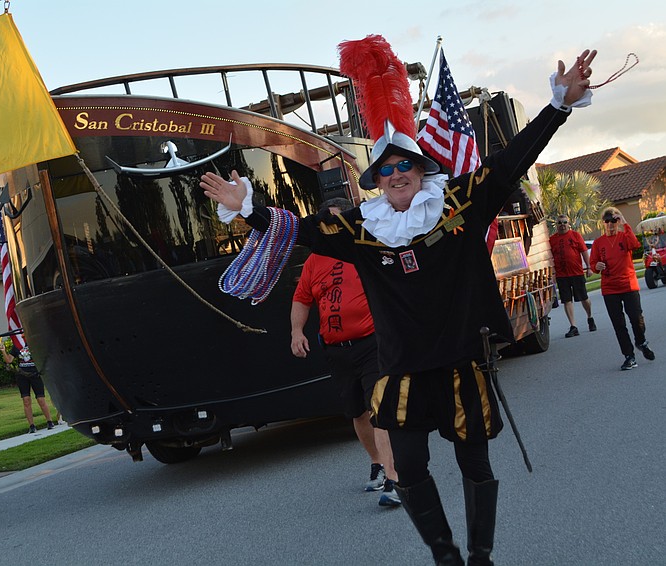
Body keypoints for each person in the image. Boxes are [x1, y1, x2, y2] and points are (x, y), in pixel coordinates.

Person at [202, 48, 598, 566]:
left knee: (475, 465)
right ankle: (445, 556)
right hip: (403, 372)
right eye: (385, 169)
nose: (394, 173)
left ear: (421, 168)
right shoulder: (363, 229)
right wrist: (250, 209)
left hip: (461, 361)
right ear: (377, 181)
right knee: (409, 470)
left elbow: (510, 161)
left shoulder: (459, 203)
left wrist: (557, 107)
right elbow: (300, 231)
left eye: (404, 164)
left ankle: (480, 556)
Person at [291, 197, 400, 507]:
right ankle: (378, 463)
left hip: (372, 343)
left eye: (338, 222)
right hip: (338, 349)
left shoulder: (365, 245)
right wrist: (296, 332)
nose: (333, 229)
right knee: (357, 412)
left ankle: (394, 479)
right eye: (328, 223)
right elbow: (301, 299)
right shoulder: (315, 259)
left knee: (378, 406)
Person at [589, 207, 656, 370]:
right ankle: (629, 356)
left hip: (628, 285)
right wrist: (596, 266)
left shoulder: (624, 236)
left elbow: (635, 244)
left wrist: (625, 223)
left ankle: (641, 342)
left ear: (618, 222)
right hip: (610, 289)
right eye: (607, 221)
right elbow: (593, 265)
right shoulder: (598, 243)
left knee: (636, 319)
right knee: (619, 324)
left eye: (614, 221)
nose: (611, 224)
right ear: (603, 223)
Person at [549, 214, 596, 337]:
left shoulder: (575, 236)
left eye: (564, 222)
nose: (562, 225)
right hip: (562, 275)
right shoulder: (552, 240)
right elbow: (550, 258)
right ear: (556, 225)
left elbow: (584, 252)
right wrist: (553, 274)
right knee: (566, 300)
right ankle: (573, 326)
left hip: (576, 273)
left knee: (584, 298)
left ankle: (590, 317)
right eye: (559, 223)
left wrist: (589, 267)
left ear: (568, 224)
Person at [0, 338, 55, 433]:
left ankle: (49, 421)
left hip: (35, 374)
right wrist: (3, 351)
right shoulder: (16, 346)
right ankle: (32, 425)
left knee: (40, 399)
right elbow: (9, 360)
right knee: (26, 400)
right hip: (22, 375)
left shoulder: (34, 344)